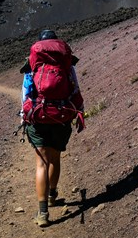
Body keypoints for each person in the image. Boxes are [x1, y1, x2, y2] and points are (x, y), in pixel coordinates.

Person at [20, 29, 84, 227]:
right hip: (61, 116)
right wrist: (79, 112)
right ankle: (52, 195)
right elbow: (75, 88)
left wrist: (24, 117)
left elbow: (25, 93)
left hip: (38, 117)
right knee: (55, 158)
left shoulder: (32, 63)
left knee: (41, 163)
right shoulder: (66, 63)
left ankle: (42, 214)